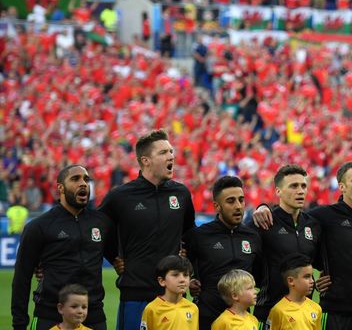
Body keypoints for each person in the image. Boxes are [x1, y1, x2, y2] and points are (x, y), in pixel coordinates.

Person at [253, 161, 352, 330]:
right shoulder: (323, 216)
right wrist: (263, 207)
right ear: (342, 187)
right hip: (332, 311)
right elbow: (292, 219)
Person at [99, 130, 196, 330]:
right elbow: (96, 230)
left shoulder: (181, 193)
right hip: (136, 294)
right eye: (163, 152)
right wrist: (113, 257)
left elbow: (191, 233)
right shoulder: (121, 196)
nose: (171, 156)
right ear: (146, 160)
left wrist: (187, 258)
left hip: (173, 296)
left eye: (171, 151)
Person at [12, 165, 113, 330]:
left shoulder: (101, 222)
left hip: (93, 316)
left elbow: (118, 256)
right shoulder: (39, 226)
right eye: (75, 179)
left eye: (86, 179)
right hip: (50, 316)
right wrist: (19, 324)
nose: (83, 184)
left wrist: (119, 262)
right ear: (61, 187)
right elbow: (21, 279)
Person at [183, 176, 261, 330]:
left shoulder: (253, 236)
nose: (238, 206)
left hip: (242, 320)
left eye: (241, 200)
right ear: (217, 206)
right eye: (231, 201)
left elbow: (259, 274)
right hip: (207, 318)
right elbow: (183, 264)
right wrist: (191, 280)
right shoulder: (199, 235)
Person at [253, 165, 321, 322]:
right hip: (269, 312)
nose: (300, 191)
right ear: (278, 191)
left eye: (303, 186)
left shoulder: (313, 225)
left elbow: (319, 262)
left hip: (304, 315)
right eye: (293, 186)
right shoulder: (264, 222)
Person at [139, 255, 198, 330]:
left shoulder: (193, 308)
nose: (182, 279)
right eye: (175, 275)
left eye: (186, 275)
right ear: (162, 281)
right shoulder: (152, 309)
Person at [265, 253, 322, 330]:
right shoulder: (278, 310)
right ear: (291, 281)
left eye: (312, 276)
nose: (312, 281)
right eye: (307, 277)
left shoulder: (316, 308)